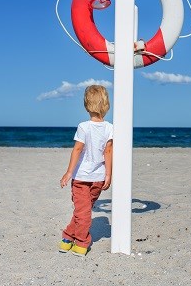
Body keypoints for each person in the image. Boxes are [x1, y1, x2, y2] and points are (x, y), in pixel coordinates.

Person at [59, 85, 113, 257]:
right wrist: (108, 173)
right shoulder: (109, 127)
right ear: (106, 104)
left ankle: (77, 241)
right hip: (90, 178)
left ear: (86, 105)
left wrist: (68, 172)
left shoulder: (84, 126)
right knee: (83, 211)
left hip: (89, 178)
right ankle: (71, 238)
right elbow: (109, 152)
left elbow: (77, 150)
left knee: (82, 211)